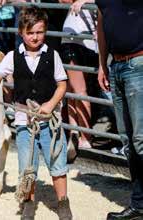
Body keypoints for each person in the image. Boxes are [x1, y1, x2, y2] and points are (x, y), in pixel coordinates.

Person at [0, 6, 72, 220]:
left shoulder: (53, 55)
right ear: (21, 32)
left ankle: (63, 202)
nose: (35, 37)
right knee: (27, 166)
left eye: (39, 32)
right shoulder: (12, 57)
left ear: (45, 31)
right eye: (30, 33)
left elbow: (62, 85)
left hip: (49, 121)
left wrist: (50, 105)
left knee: (57, 162)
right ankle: (29, 202)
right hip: (24, 121)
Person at [96, 0, 143, 219]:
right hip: (116, 66)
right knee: (128, 140)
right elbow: (102, 23)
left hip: (139, 63)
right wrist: (102, 64)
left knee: (141, 140)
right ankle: (139, 202)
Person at [60, 0, 98, 150]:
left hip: (81, 40)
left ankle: (85, 137)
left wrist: (85, 0)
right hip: (73, 38)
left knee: (79, 91)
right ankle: (75, 133)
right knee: (71, 90)